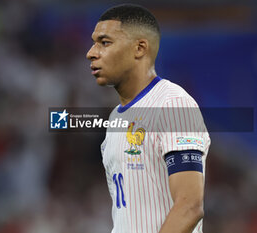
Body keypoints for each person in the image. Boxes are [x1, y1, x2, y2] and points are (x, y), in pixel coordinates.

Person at [86, 4, 210, 233]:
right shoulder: (115, 118)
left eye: (104, 42)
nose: (91, 53)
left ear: (140, 48)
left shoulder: (172, 104)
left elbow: (189, 207)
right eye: (94, 43)